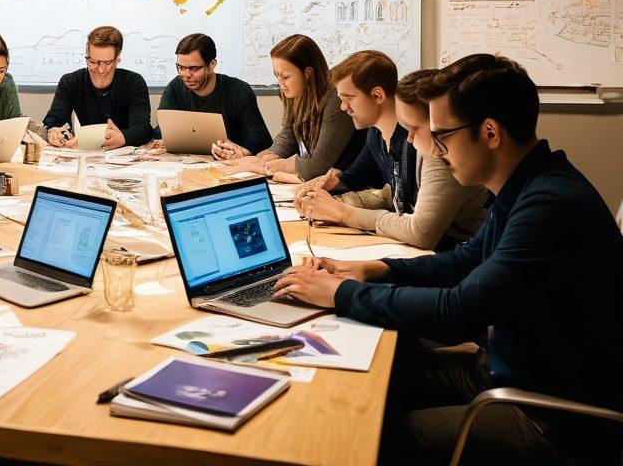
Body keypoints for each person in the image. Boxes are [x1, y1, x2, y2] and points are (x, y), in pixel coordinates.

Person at [274, 54, 623, 466]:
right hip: (507, 369)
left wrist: (342, 294)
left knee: (374, 434)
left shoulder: (549, 205)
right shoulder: (527, 183)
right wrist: (373, 269)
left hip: (553, 416)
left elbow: (459, 311)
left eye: (442, 136)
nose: (435, 151)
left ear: (490, 132)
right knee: (378, 380)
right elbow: (462, 261)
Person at [294, 54, 490, 250]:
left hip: (453, 249)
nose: (343, 107)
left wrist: (341, 212)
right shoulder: (376, 134)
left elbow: (422, 232)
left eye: (348, 98)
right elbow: (360, 178)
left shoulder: (432, 146)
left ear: (378, 96)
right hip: (425, 248)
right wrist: (328, 191)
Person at [214, 34, 363, 181]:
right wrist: (265, 157)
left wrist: (269, 166)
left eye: (285, 77)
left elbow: (317, 167)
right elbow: (290, 132)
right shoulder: (293, 91)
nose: (281, 83)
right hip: (316, 179)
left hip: (344, 182)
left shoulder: (336, 98)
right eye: (276, 75)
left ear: (308, 73)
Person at [152, 33, 272, 153]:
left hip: (228, 159)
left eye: (194, 68)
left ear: (212, 64)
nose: (186, 75)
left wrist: (241, 152)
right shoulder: (175, 87)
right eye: (181, 67)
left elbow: (261, 138)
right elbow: (163, 129)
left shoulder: (239, 91)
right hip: (186, 159)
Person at [43, 26, 152, 150]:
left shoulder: (133, 82)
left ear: (117, 60)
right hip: (85, 153)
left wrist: (124, 137)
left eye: (106, 63)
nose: (100, 69)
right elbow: (53, 122)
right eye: (93, 62)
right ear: (87, 57)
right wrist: (57, 134)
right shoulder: (70, 82)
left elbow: (144, 129)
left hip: (123, 153)